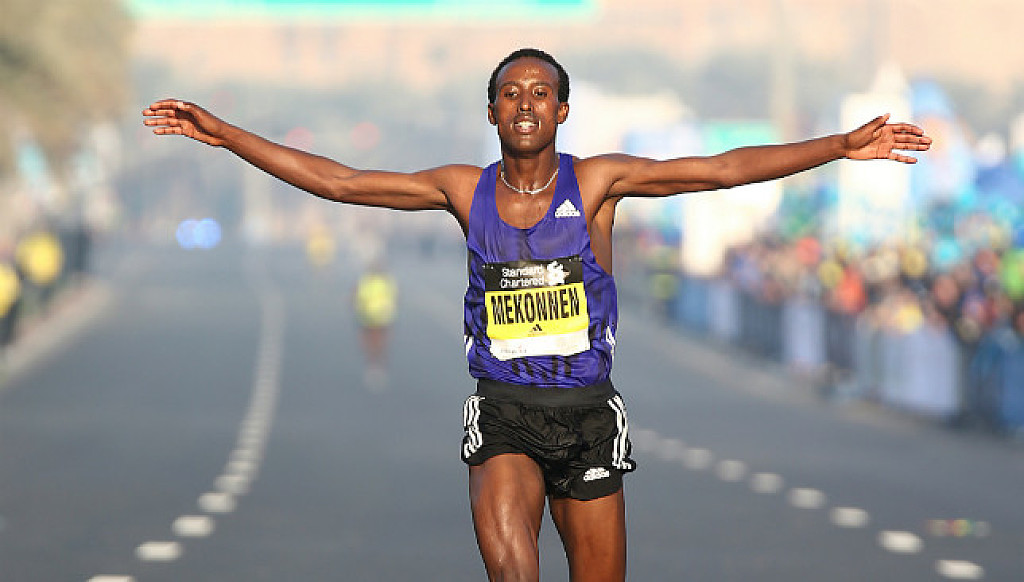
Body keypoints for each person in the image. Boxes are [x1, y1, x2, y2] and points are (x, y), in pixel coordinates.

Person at [143, 47, 931, 582]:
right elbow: (342, 183)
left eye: (540, 94)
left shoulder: (599, 183)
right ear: (492, 112)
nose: (525, 104)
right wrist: (225, 136)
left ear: (562, 110)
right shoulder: (463, 188)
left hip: (587, 415)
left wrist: (838, 146)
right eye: (510, 94)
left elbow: (721, 170)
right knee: (513, 570)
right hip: (505, 414)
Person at [353, 260, 398, 391]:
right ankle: (377, 365)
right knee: (378, 341)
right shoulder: (385, 281)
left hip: (372, 315)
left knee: (373, 341)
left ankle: (374, 365)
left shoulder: (367, 280)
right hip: (379, 315)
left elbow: (357, 296)